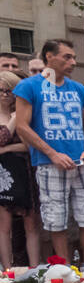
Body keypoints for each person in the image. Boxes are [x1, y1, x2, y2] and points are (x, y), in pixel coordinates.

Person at [12, 38, 84, 264]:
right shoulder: (29, 86)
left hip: (81, 162)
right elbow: (22, 126)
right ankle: (65, 270)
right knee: (56, 219)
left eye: (73, 57)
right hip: (49, 162)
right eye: (67, 57)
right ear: (49, 57)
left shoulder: (78, 88)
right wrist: (52, 153)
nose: (73, 62)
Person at [0, 70, 37, 267]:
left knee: (30, 223)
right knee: (4, 226)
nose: (5, 95)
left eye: (9, 90)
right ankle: (7, 271)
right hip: (3, 172)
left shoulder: (23, 114)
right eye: (1, 90)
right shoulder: (15, 115)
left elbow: (28, 145)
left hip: (24, 169)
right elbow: (1, 138)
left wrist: (5, 149)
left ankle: (34, 268)